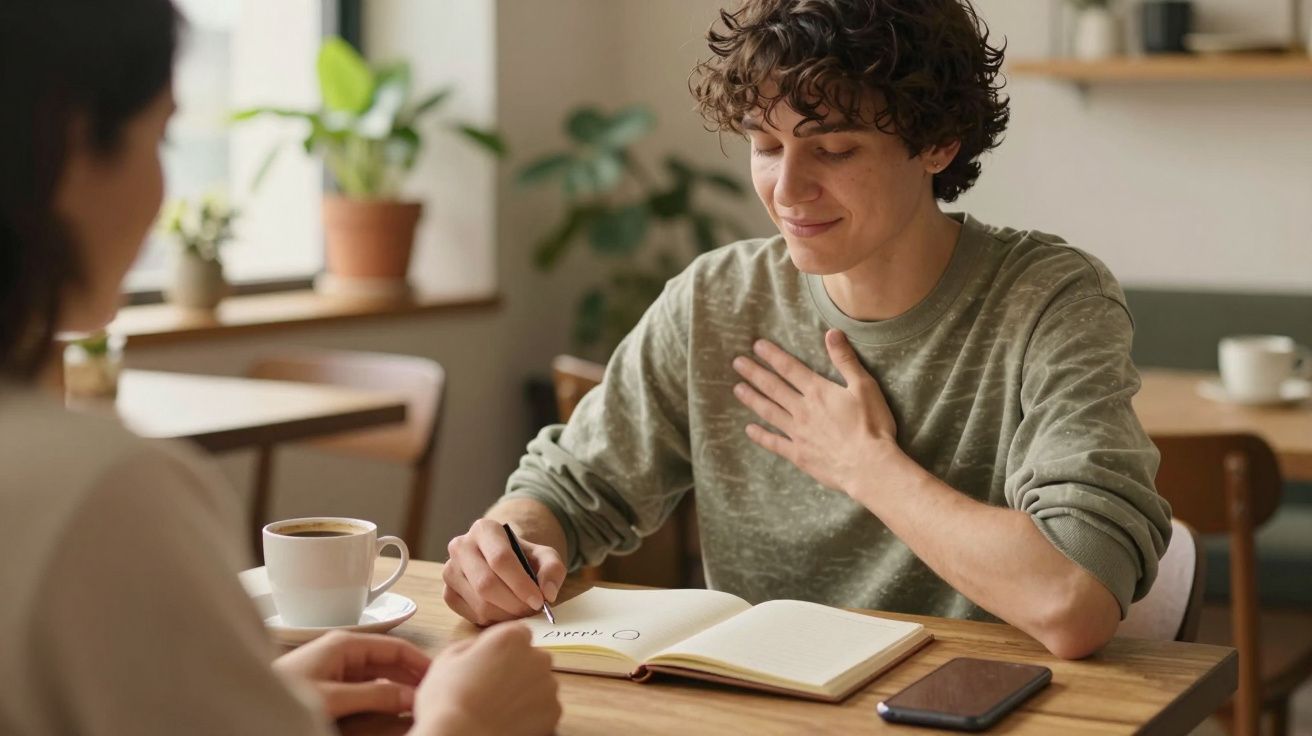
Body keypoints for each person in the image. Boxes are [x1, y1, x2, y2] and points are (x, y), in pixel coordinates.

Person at [443, 0, 1172, 660]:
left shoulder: (1048, 298)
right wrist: (511, 544)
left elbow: (1073, 599)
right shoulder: (716, 300)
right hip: (761, 708)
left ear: (939, 143)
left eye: (834, 149)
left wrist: (868, 467)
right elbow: (570, 488)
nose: (787, 190)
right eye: (766, 144)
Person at [0, 1, 560, 733]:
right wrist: (466, 724)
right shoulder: (102, 493)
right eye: (161, 136)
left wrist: (247, 698)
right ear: (73, 144)